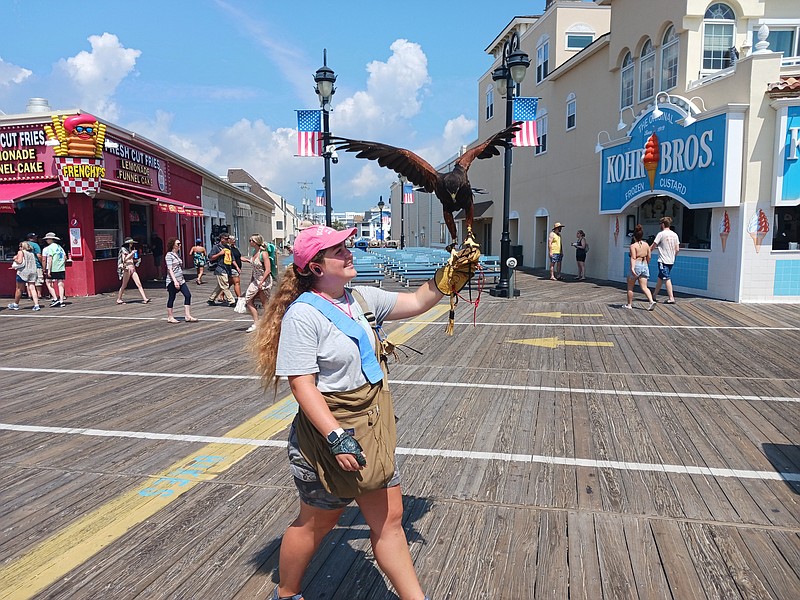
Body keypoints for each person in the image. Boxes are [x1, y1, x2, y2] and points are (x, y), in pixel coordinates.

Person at [253, 225, 468, 600]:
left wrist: (450, 275)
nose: (349, 252)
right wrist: (337, 437)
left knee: (390, 523)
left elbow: (417, 301)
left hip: (373, 427)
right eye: (339, 250)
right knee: (315, 525)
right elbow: (302, 385)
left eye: (346, 246)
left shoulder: (361, 299)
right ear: (317, 267)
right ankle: (286, 594)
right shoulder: (303, 316)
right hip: (328, 437)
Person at [243, 234, 273, 333]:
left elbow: (268, 269)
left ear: (256, 242)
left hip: (263, 279)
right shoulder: (254, 252)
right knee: (248, 299)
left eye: (251, 240)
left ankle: (270, 323)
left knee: (265, 302)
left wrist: (262, 281)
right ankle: (256, 322)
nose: (250, 242)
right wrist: (252, 280)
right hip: (255, 280)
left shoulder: (263, 253)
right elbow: (254, 268)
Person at [165, 238, 198, 323]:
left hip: (181, 280)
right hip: (172, 280)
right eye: (178, 244)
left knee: (188, 295)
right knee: (172, 297)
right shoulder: (169, 255)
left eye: (180, 244)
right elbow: (169, 269)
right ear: (173, 245)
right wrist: (175, 281)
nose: (180, 245)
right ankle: (170, 316)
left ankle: (188, 315)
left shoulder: (177, 254)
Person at [624, 224, 656, 311]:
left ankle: (629, 304)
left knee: (630, 287)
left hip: (637, 264)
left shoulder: (633, 246)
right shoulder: (646, 245)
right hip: (644, 265)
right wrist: (646, 263)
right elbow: (649, 256)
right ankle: (651, 301)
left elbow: (633, 257)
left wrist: (632, 268)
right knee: (644, 286)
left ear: (634, 237)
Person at [650, 216, 680, 304]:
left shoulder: (661, 234)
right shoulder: (675, 235)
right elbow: (677, 249)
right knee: (661, 277)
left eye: (660, 224)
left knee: (666, 278)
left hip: (663, 260)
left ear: (663, 224)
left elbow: (653, 246)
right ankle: (654, 295)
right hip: (671, 260)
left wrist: (647, 252)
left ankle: (671, 297)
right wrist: (673, 256)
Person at [116, 238, 151, 304]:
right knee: (124, 285)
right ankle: (119, 299)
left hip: (133, 268)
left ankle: (145, 298)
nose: (132, 244)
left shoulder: (130, 250)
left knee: (139, 284)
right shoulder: (124, 250)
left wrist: (136, 260)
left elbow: (131, 259)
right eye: (131, 243)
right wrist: (132, 253)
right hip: (127, 269)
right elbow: (125, 259)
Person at [8, 241, 41, 311]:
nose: (19, 248)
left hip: (23, 272)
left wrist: (15, 258)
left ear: (22, 247)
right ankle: (36, 305)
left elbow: (19, 261)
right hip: (33, 271)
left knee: (19, 288)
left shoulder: (21, 252)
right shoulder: (31, 253)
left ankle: (16, 304)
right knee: (32, 288)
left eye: (20, 246)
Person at [206, 234, 236, 306]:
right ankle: (232, 301)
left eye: (228, 239)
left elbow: (232, 259)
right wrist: (220, 254)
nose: (227, 240)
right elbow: (211, 257)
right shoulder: (216, 247)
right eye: (226, 239)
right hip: (220, 268)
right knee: (225, 285)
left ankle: (211, 299)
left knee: (220, 285)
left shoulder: (228, 247)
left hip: (227, 268)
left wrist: (236, 267)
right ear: (222, 239)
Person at [42, 232, 67, 307]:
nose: (46, 240)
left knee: (48, 282)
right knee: (60, 283)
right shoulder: (60, 247)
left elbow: (50, 259)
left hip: (53, 268)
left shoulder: (49, 248)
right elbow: (65, 257)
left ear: (50, 239)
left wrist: (48, 270)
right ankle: (61, 300)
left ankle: (55, 299)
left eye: (47, 239)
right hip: (61, 267)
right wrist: (62, 264)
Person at [26, 232, 46, 299]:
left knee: (28, 281)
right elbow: (39, 255)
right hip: (36, 265)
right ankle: (39, 295)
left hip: (26, 266)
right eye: (35, 237)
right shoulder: (35, 245)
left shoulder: (23, 245)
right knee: (38, 280)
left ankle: (30, 295)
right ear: (31, 238)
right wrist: (42, 263)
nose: (36, 238)